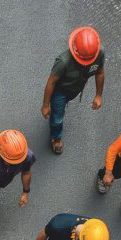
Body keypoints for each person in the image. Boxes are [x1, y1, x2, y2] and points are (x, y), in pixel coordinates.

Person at [41, 26, 104, 154]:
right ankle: (56, 138)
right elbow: (51, 82)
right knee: (57, 118)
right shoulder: (63, 61)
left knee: (58, 113)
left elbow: (100, 72)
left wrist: (98, 95)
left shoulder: (99, 53)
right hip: (60, 92)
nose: (86, 63)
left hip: (76, 87)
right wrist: (45, 105)